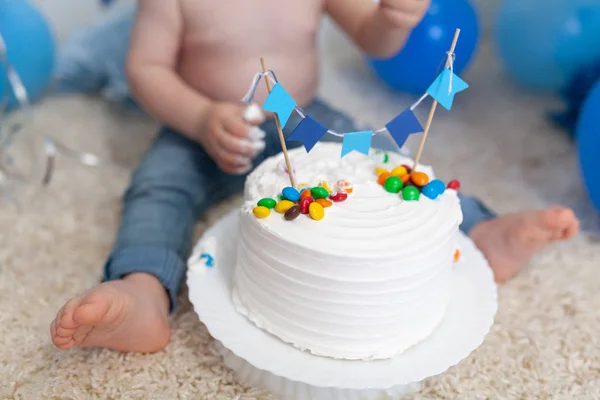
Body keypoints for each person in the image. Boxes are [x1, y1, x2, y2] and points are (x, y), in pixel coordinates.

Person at [50, 0, 579, 353]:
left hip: (303, 123)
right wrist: (199, 118)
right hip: (200, 127)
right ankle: (142, 290)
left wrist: (393, 19)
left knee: (387, 164)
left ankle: (482, 231)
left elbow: (373, 37)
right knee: (156, 191)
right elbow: (147, 69)